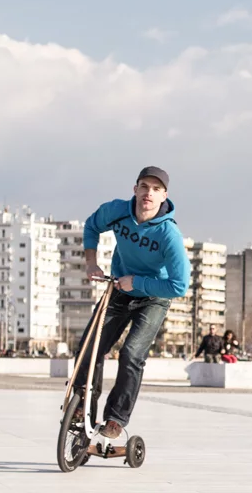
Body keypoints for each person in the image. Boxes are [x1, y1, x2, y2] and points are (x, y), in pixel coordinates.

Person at [70, 166, 191, 454]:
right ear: (135, 189)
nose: (149, 193)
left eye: (156, 189)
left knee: (131, 354)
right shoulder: (117, 211)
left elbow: (179, 286)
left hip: (153, 298)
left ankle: (116, 418)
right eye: (144, 186)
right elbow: (90, 226)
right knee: (89, 348)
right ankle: (81, 406)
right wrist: (90, 262)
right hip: (117, 291)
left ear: (164, 196)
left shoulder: (168, 235)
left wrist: (137, 282)